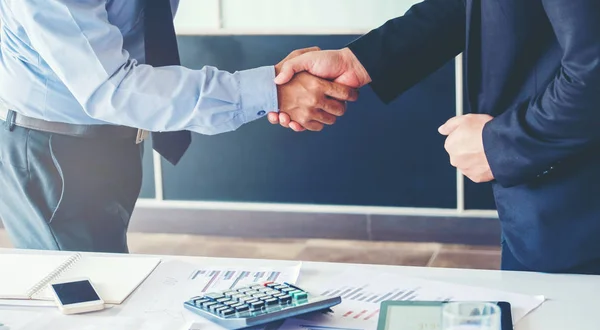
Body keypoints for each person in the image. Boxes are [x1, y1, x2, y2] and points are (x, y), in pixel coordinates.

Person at [0, 0, 357, 253]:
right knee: (88, 298)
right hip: (52, 151)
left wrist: (282, 79)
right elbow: (113, 87)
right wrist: (271, 89)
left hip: (115, 140)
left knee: (111, 275)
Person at [270, 0, 600, 274]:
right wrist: (357, 60)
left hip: (578, 211)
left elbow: (593, 66)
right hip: (544, 201)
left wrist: (505, 144)